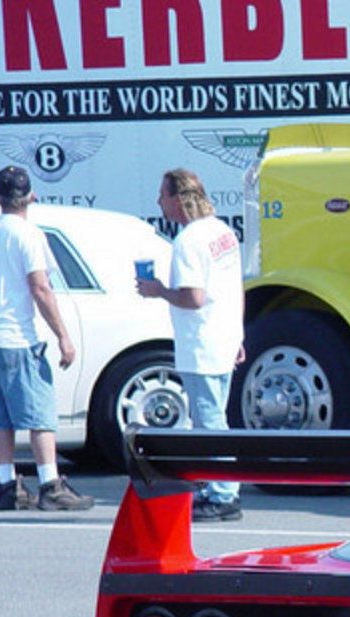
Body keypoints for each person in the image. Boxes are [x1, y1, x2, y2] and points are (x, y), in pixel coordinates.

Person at [0, 165, 93, 511]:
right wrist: (63, 335)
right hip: (17, 338)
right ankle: (50, 484)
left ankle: (8, 486)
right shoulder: (30, 235)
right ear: (31, 197)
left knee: (1, 419)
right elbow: (40, 287)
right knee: (40, 416)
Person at [137, 168, 245, 521]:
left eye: (163, 195)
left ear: (178, 199)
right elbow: (231, 288)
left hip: (202, 342)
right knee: (216, 418)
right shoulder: (222, 231)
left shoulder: (189, 240)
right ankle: (219, 485)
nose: (159, 202)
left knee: (209, 422)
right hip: (224, 335)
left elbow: (194, 297)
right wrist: (238, 335)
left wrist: (158, 291)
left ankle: (223, 493)